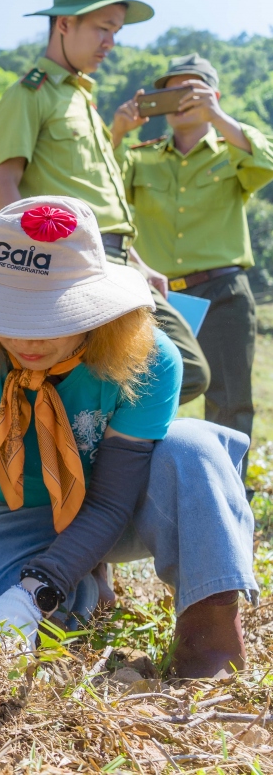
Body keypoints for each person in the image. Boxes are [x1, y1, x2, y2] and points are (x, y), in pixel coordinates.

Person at [0, 195, 256, 685]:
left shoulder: (148, 359)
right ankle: (81, 596)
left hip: (122, 505)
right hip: (15, 513)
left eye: (52, 315)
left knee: (193, 450)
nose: (28, 337)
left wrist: (32, 594)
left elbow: (110, 500)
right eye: (9, 314)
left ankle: (209, 636)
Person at [0, 0, 209, 406]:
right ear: (64, 24)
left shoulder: (83, 100)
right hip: (72, 261)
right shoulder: (30, 93)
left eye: (116, 32)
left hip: (121, 260)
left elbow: (103, 200)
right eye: (102, 27)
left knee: (188, 371)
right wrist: (35, 265)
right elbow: (4, 186)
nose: (110, 42)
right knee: (171, 367)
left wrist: (141, 262)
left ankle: (85, 433)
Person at [112, 54, 273, 478]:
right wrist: (116, 132)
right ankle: (145, 490)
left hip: (223, 291)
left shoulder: (234, 148)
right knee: (149, 392)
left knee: (230, 399)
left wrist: (218, 116)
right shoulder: (140, 157)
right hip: (159, 297)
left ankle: (229, 493)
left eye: (192, 89)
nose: (180, 99)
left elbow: (267, 162)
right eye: (172, 90)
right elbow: (102, 191)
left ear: (213, 95)